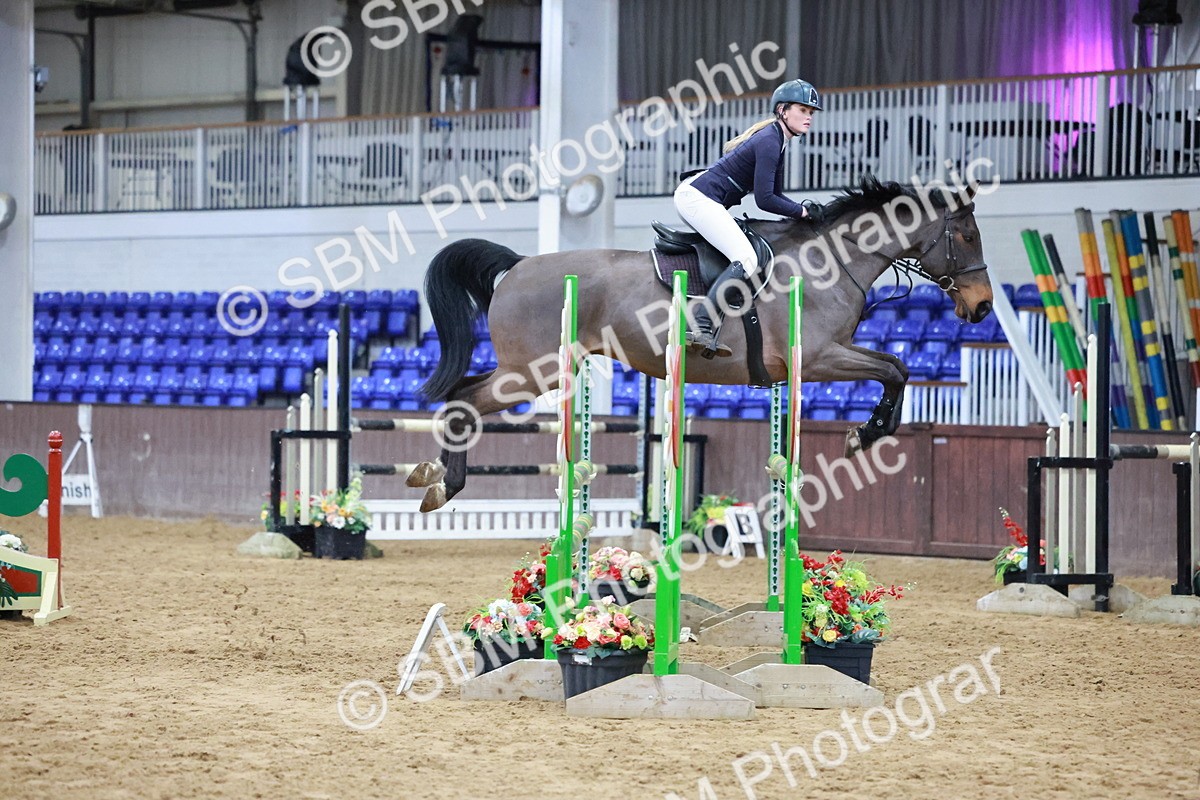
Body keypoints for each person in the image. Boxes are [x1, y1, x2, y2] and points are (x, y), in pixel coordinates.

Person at [673, 78, 821, 358]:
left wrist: (801, 211)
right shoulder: (769, 140)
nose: (809, 117)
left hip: (702, 197)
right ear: (783, 110)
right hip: (696, 198)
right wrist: (802, 211)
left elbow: (775, 195)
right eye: (803, 110)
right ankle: (700, 325)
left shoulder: (778, 141)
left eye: (811, 113)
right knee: (747, 258)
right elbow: (765, 201)